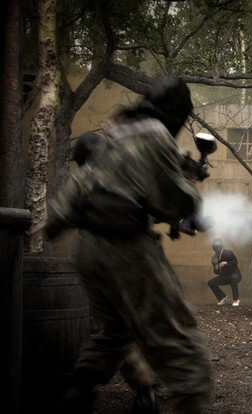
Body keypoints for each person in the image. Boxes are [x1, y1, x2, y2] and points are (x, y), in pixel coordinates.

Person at [46, 77, 212, 414]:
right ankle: (191, 396)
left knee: (114, 333)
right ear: (177, 112)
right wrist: (193, 195)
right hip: (124, 246)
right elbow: (176, 199)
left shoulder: (118, 135)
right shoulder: (154, 134)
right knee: (185, 347)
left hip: (89, 249)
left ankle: (77, 391)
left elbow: (73, 198)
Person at [69, 131, 159, 413]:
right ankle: (143, 391)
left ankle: (140, 390)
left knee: (116, 330)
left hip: (103, 262)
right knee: (121, 330)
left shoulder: (87, 183)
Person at [207, 239, 243, 306]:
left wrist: (226, 263)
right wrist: (217, 268)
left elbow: (235, 262)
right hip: (225, 277)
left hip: (235, 275)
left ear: (221, 247)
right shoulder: (214, 258)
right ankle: (222, 297)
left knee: (233, 278)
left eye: (217, 247)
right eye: (214, 247)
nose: (216, 249)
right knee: (211, 283)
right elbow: (216, 272)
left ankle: (236, 299)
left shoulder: (228, 253)